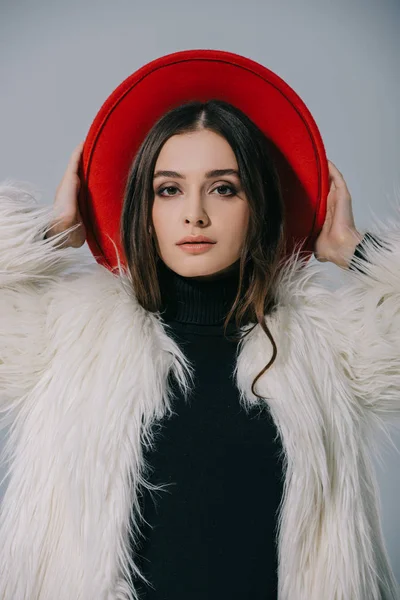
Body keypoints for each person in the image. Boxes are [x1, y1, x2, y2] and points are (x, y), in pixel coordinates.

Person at [0, 99, 399, 600]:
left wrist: (355, 249)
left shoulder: (327, 347)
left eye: (223, 189)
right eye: (169, 190)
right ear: (145, 214)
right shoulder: (69, 337)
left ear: (257, 206)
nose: (194, 214)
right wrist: (47, 236)